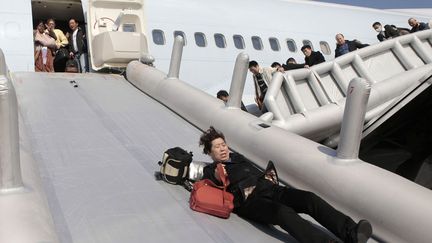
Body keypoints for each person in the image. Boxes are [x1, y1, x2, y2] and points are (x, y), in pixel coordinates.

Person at [199, 126, 373, 243]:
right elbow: (214, 181)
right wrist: (216, 174)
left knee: (308, 198)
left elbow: (253, 173)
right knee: (282, 212)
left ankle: (351, 232)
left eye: (223, 144)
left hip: (270, 188)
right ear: (209, 152)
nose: (222, 149)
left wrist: (267, 177)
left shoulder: (238, 157)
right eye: (217, 147)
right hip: (250, 202)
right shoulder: (212, 170)